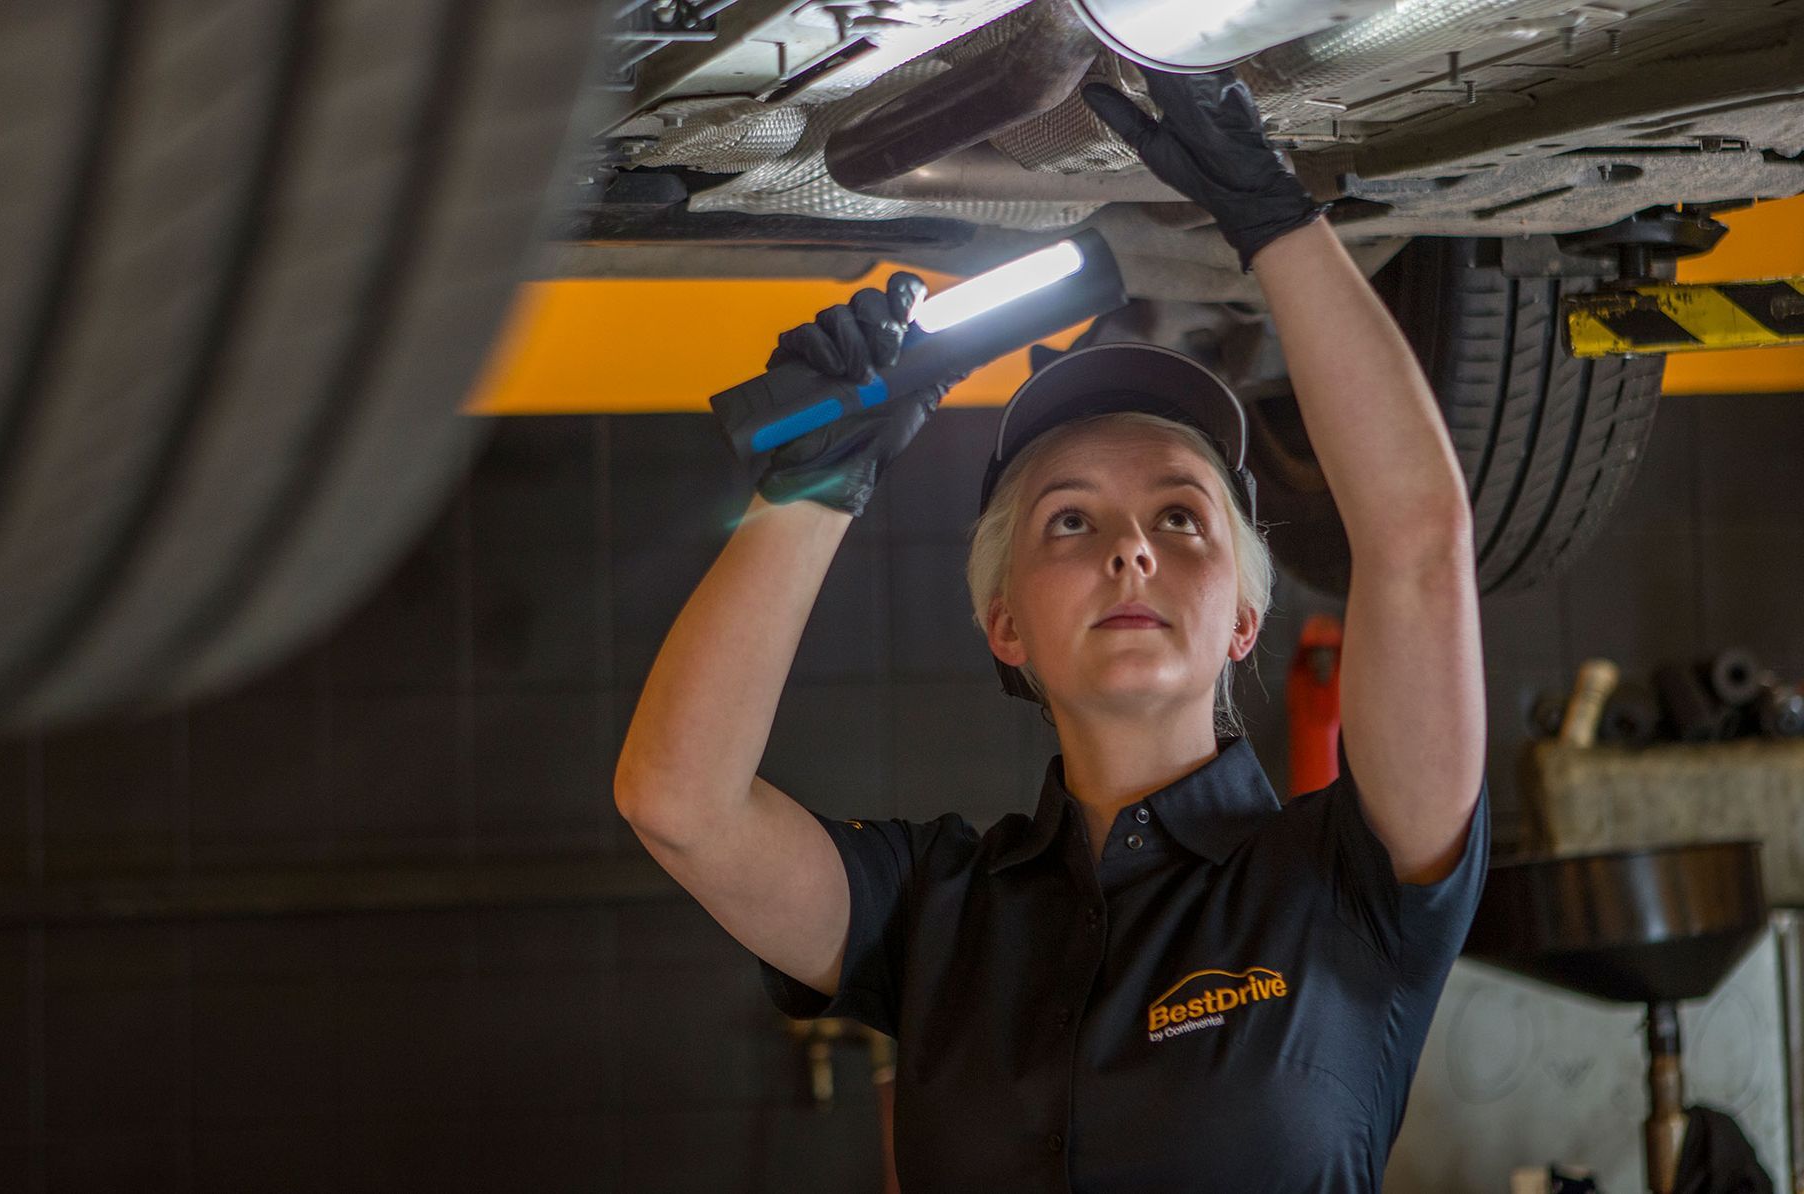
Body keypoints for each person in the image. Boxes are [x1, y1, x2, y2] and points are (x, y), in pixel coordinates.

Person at [614, 64, 1488, 1193]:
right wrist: (811, 491)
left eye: (1181, 515)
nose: (1132, 548)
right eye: (1070, 520)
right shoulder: (937, 915)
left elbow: (1417, 549)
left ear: (1244, 620)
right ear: (1005, 625)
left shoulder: (1347, 886)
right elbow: (679, 805)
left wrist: (1274, 218)